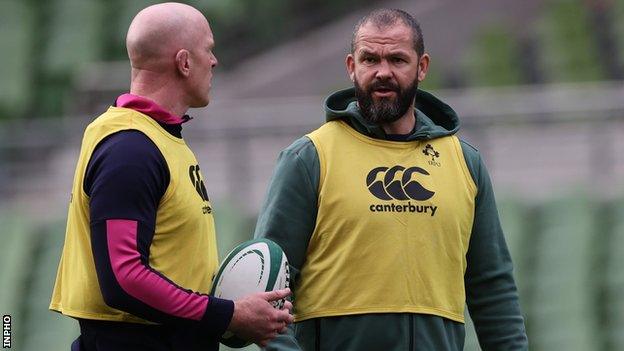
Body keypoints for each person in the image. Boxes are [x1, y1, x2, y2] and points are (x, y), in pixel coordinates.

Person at [254, 8, 528, 351]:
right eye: (371, 59)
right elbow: (269, 286)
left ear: (422, 67)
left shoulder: (465, 162)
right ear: (352, 66)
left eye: (397, 60)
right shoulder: (309, 157)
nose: (383, 72)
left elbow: (493, 288)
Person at [49, 3, 293, 351]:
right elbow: (123, 278)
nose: (214, 61)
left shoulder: (158, 138)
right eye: (208, 49)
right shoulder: (130, 149)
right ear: (184, 62)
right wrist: (227, 315)